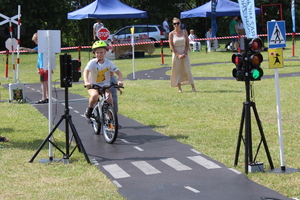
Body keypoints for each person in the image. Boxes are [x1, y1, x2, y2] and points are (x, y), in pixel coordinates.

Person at [83, 40, 123, 120]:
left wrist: (120, 80)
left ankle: (110, 117)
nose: (99, 54)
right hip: (93, 85)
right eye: (97, 52)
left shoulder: (109, 63)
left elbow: (119, 73)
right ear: (94, 53)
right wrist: (86, 81)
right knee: (95, 96)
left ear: (105, 53)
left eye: (101, 52)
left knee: (109, 99)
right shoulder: (92, 62)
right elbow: (86, 71)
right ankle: (90, 110)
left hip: (105, 85)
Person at [20, 33, 51, 103]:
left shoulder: (42, 47)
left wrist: (22, 48)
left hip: (44, 67)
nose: (35, 43)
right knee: (44, 82)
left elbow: (32, 51)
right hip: (42, 67)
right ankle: (46, 97)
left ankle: (45, 98)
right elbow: (35, 55)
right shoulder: (41, 47)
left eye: (35, 41)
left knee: (44, 82)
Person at [169, 17, 196, 93]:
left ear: (180, 24)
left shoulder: (184, 32)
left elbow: (187, 44)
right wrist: (177, 54)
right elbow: (171, 46)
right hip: (176, 53)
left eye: (178, 23)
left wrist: (185, 53)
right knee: (177, 70)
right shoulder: (171, 34)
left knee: (187, 69)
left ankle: (193, 87)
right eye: (175, 24)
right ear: (173, 25)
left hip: (184, 52)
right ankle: (179, 88)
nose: (176, 25)